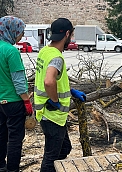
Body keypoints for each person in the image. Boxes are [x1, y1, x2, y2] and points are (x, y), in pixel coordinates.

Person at [34, 18, 86, 172]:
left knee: (64, 148)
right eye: (72, 35)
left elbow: (54, 80)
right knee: (51, 159)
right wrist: (55, 100)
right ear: (68, 34)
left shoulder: (45, 51)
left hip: (46, 113)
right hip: (52, 115)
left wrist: (71, 91)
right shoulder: (56, 57)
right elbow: (49, 82)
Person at [0, 16, 33, 172]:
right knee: (15, 139)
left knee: (1, 135)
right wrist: (27, 102)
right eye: (20, 32)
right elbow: (19, 81)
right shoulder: (10, 51)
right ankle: (12, 169)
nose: (21, 36)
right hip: (13, 102)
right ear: (11, 31)